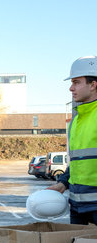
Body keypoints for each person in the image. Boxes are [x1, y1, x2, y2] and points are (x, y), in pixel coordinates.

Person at [48, 56, 97, 224]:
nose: (71, 88)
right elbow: (78, 162)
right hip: (77, 208)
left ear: (93, 85)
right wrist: (63, 183)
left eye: (76, 82)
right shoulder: (76, 120)